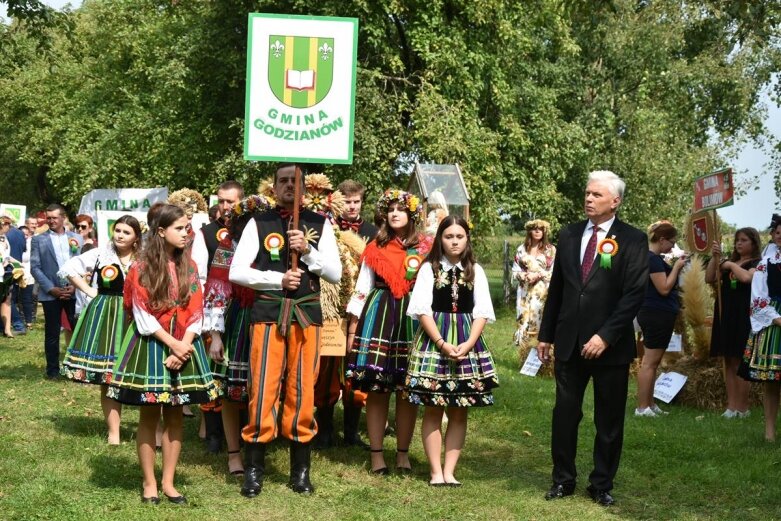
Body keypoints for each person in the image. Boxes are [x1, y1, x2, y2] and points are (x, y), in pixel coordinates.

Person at [536, 170, 648, 507]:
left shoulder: (632, 239)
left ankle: (601, 483)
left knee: (609, 419)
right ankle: (562, 479)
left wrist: (606, 335)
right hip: (570, 341)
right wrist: (546, 334)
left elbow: (633, 294)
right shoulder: (569, 235)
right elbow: (558, 289)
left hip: (609, 348)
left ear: (615, 201)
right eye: (587, 193)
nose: (588, 199)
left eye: (596, 195)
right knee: (565, 414)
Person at [229, 164, 342, 497]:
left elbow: (335, 273)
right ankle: (254, 469)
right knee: (263, 386)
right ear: (274, 187)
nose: (290, 186)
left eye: (296, 181)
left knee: (303, 387)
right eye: (284, 181)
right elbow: (237, 271)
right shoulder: (258, 222)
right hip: (268, 313)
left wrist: (308, 252)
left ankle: (300, 471)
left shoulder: (321, 224)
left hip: (306, 314)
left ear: (305, 187)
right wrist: (277, 279)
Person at [107, 204, 218, 504]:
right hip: (153, 343)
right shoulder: (140, 268)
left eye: (187, 228)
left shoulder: (190, 266)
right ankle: (149, 483)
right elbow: (142, 315)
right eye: (179, 228)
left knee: (175, 417)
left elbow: (197, 311)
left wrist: (186, 345)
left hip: (184, 341)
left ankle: (169, 482)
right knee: (149, 415)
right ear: (160, 232)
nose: (187, 233)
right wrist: (174, 344)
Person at [406, 215, 499, 486]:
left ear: (467, 238)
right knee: (434, 407)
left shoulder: (475, 270)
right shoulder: (429, 269)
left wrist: (468, 344)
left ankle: (450, 471)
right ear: (440, 239)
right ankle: (435, 471)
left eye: (459, 236)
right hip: (436, 339)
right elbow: (422, 309)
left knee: (460, 409)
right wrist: (441, 343)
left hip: (467, 340)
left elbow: (482, 310)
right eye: (449, 236)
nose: (455, 241)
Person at [345, 188, 430, 475]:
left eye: (401, 209)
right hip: (379, 315)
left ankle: (403, 453)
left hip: (412, 317)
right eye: (390, 209)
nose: (395, 213)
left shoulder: (425, 249)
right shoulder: (375, 247)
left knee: (407, 389)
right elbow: (362, 288)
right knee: (378, 389)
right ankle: (377, 454)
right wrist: (352, 328)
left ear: (412, 215)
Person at [203, 194, 271, 476]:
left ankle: (259, 447)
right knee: (232, 392)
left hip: (270, 316)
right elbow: (217, 289)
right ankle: (234, 454)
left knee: (265, 387)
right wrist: (216, 335)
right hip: (238, 319)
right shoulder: (227, 245)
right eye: (248, 219)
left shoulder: (273, 245)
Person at [60, 215, 142, 445]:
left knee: (140, 373)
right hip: (107, 316)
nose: (120, 235)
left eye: (126, 232)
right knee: (109, 375)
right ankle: (114, 431)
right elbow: (70, 268)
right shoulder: (100, 254)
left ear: (136, 237)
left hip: (137, 317)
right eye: (117, 230)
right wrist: (89, 290)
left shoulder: (144, 258)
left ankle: (150, 427)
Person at [313, 179, 378, 449]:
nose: (352, 207)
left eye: (356, 202)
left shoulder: (373, 232)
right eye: (347, 202)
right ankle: (325, 427)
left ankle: (351, 431)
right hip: (331, 309)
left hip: (359, 308)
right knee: (326, 370)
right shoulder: (328, 228)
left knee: (356, 368)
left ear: (362, 202)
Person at [191, 181, 244, 454]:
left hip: (245, 308)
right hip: (215, 308)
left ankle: (243, 430)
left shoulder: (250, 230)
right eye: (221, 201)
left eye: (231, 202)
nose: (225, 206)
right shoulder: (207, 234)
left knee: (238, 369)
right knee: (214, 372)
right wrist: (205, 319)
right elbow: (199, 276)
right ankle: (213, 433)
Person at [706, 228, 761, 418]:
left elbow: (747, 277)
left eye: (744, 240)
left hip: (742, 314)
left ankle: (742, 408)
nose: (739, 243)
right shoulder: (728, 262)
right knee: (728, 360)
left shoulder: (757, 263)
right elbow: (709, 278)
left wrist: (729, 264)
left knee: (739, 361)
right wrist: (716, 258)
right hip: (725, 312)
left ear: (753, 243)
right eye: (737, 240)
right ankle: (731, 406)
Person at [635, 221, 687, 417]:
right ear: (662, 239)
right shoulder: (653, 260)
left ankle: (649, 403)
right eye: (672, 242)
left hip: (656, 312)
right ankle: (642, 407)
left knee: (654, 362)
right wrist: (677, 267)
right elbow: (664, 288)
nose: (672, 247)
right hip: (656, 313)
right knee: (649, 362)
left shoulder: (651, 258)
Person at [738, 215, 781, 442]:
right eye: (778, 233)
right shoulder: (765, 264)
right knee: (772, 381)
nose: (780, 237)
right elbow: (758, 298)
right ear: (773, 236)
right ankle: (770, 433)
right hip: (774, 323)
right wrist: (777, 319)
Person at [30, 204, 84, 379]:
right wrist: (51, 288)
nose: (51, 221)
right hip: (51, 292)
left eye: (54, 217)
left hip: (73, 291)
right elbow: (35, 267)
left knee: (77, 330)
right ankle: (52, 370)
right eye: (49, 218)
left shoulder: (76, 238)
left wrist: (75, 285)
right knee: (52, 332)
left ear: (63, 218)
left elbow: (81, 264)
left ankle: (78, 368)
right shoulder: (39, 239)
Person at [512, 219, 556, 350]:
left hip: (542, 292)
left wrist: (538, 275)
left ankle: (542, 353)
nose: (537, 231)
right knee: (524, 319)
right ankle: (524, 352)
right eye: (534, 228)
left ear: (544, 232)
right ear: (529, 231)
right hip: (524, 291)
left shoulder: (551, 250)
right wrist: (524, 276)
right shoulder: (521, 249)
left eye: (540, 229)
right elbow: (514, 272)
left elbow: (554, 273)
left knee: (540, 319)